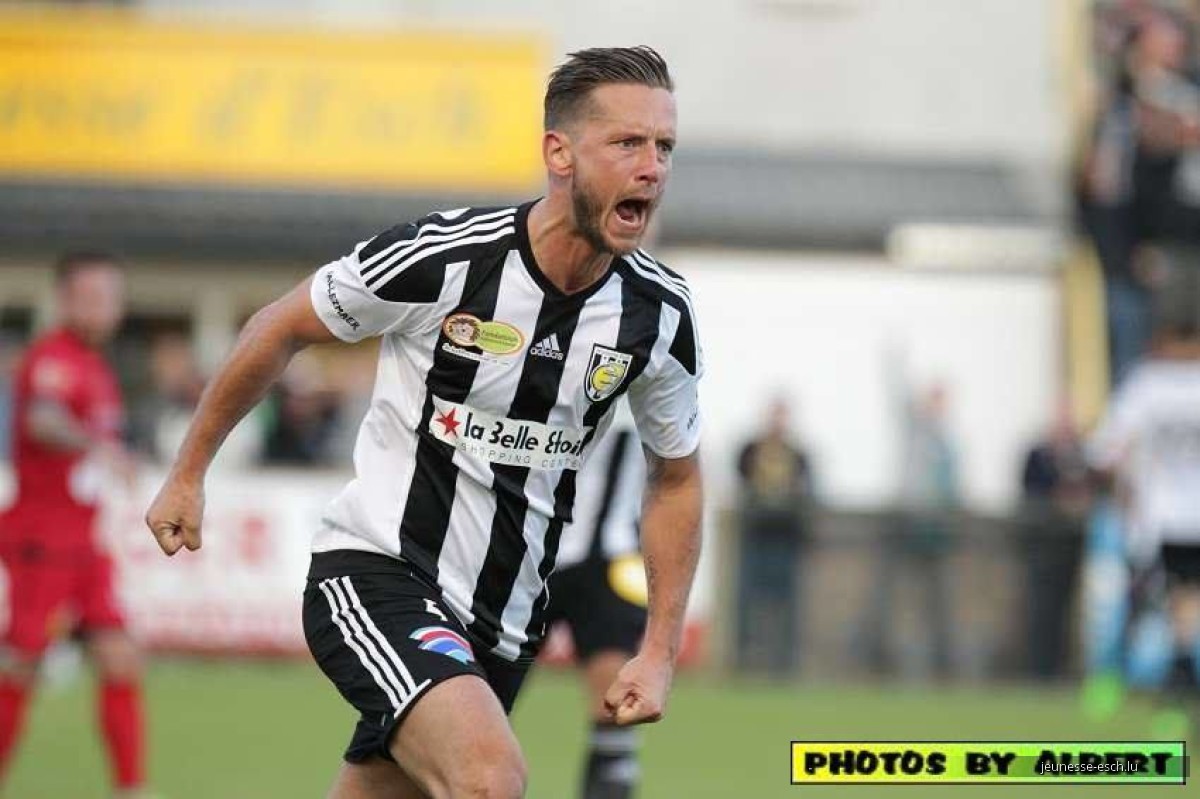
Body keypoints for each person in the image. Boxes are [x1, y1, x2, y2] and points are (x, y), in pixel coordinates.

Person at [145, 46, 704, 799]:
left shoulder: (658, 314)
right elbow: (278, 326)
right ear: (559, 152)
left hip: (503, 625)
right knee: (490, 779)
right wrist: (188, 472)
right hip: (377, 573)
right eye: (628, 143)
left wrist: (659, 649)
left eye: (664, 146)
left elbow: (675, 476)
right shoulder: (446, 259)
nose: (652, 166)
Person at [0, 253, 148, 797]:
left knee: (121, 655)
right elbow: (43, 419)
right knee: (21, 666)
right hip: (42, 538)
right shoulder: (53, 358)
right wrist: (100, 447)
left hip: (83, 543)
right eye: (91, 297)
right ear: (64, 300)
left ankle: (132, 789)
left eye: (111, 297)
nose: (104, 309)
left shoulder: (96, 367)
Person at [1089, 319, 1200, 692]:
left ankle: (1126, 672)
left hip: (1160, 517)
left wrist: (1124, 485)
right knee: (1184, 594)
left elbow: (1106, 450)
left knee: (1150, 595)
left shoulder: (1148, 385)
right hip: (1190, 516)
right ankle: (1179, 664)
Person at [545, 399, 648, 799]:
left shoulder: (660, 365)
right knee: (480, 695)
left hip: (613, 562)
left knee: (614, 705)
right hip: (533, 555)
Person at [734, 396, 814, 674]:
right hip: (756, 536)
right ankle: (744, 660)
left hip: (785, 538)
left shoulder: (798, 453)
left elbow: (807, 491)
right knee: (746, 602)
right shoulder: (750, 449)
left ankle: (784, 663)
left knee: (787, 606)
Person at [1019, 398, 1092, 679]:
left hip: (1071, 546)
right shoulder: (1038, 454)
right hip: (1043, 544)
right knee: (1041, 609)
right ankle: (1039, 669)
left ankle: (1061, 668)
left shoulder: (1080, 454)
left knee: (1068, 610)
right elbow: (1029, 491)